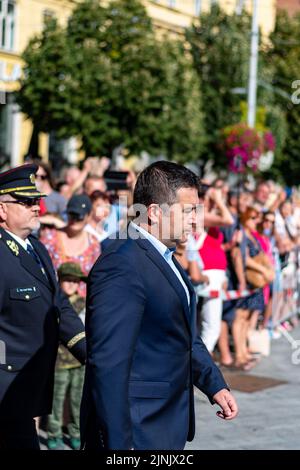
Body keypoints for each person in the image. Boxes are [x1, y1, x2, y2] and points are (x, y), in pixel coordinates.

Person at [80, 161, 238, 450]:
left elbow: (184, 336)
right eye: (189, 211)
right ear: (154, 213)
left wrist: (214, 384)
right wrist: (119, 444)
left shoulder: (163, 255)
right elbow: (108, 364)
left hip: (164, 424)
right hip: (137, 430)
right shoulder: (122, 263)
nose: (196, 221)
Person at [0, 164, 86, 450]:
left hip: (27, 390)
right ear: (2, 210)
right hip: (6, 390)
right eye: (26, 202)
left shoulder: (37, 249)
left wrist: (89, 350)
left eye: (36, 200)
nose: (37, 207)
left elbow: (58, 304)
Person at [47, 262, 86, 451]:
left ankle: (76, 433)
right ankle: (53, 433)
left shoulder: (84, 303)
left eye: (75, 281)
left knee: (77, 400)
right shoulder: (53, 304)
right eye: (67, 280)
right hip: (58, 361)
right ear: (59, 281)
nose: (71, 284)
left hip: (79, 362)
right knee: (56, 400)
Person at [40, 194, 101, 298]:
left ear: (89, 216)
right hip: (53, 299)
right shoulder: (50, 238)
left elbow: (96, 279)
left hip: (82, 306)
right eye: (72, 215)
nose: (74, 220)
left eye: (79, 216)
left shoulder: (94, 244)